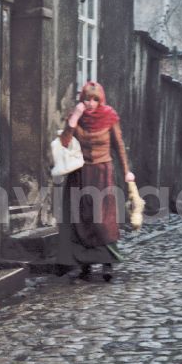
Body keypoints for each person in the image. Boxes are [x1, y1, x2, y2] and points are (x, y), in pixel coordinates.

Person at [55, 80, 135, 282]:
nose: (91, 103)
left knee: (103, 220)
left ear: (101, 100)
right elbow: (64, 143)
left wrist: (127, 172)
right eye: (87, 99)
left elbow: (119, 145)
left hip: (102, 173)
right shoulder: (78, 117)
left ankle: (107, 262)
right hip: (79, 173)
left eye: (95, 99)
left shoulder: (109, 116)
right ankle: (85, 264)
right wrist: (75, 116)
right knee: (81, 219)